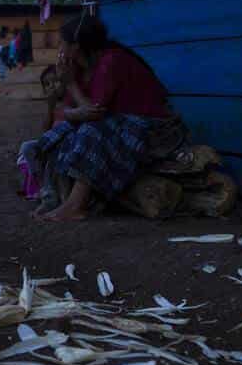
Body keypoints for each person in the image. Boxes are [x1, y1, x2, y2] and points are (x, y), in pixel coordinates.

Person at [23, 13, 187, 222]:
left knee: (91, 130)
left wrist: (71, 85)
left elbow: (93, 113)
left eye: (62, 44)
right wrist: (73, 105)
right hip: (118, 127)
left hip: (157, 131)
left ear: (76, 47)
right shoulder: (81, 69)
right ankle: (55, 199)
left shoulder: (111, 62)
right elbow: (73, 112)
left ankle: (76, 206)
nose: (60, 50)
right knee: (57, 134)